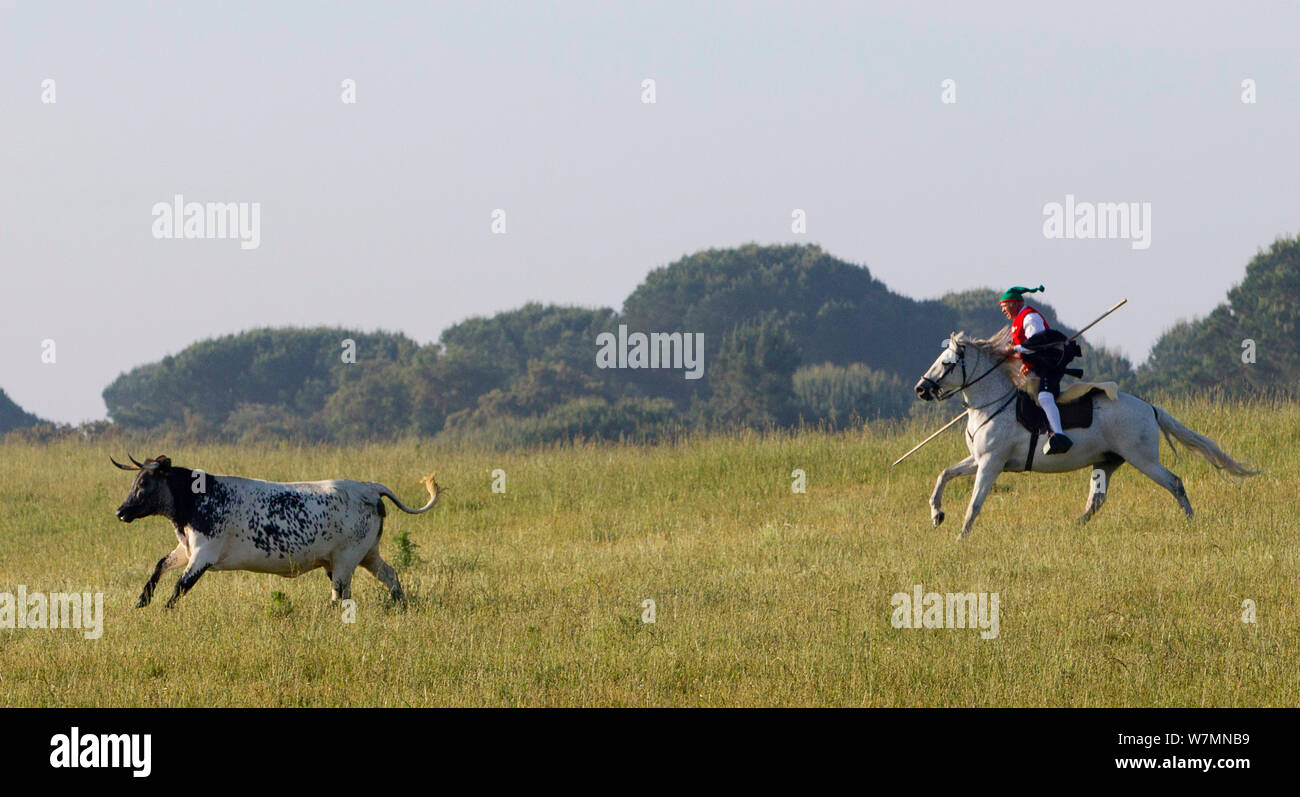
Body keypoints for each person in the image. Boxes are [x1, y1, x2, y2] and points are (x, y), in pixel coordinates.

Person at [999, 285, 1076, 454]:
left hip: (1050, 366)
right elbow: (1030, 350)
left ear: (1014, 303)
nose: (1003, 311)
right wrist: (1027, 364)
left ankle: (1059, 435)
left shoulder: (1030, 318)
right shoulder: (1018, 320)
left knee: (1045, 397)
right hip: (1039, 366)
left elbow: (1038, 344)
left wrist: (1014, 350)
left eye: (1004, 307)